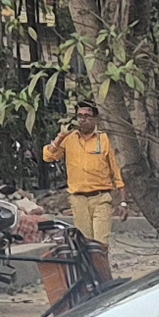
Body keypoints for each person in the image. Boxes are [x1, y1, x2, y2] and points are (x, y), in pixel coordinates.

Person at [43, 102, 122, 246]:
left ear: (95, 118)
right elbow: (48, 156)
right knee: (84, 243)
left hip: (101, 198)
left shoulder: (104, 139)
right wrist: (61, 136)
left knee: (101, 243)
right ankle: (89, 262)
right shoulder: (69, 138)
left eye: (87, 116)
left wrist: (123, 201)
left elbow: (116, 171)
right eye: (79, 116)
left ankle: (101, 261)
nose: (82, 119)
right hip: (78, 199)